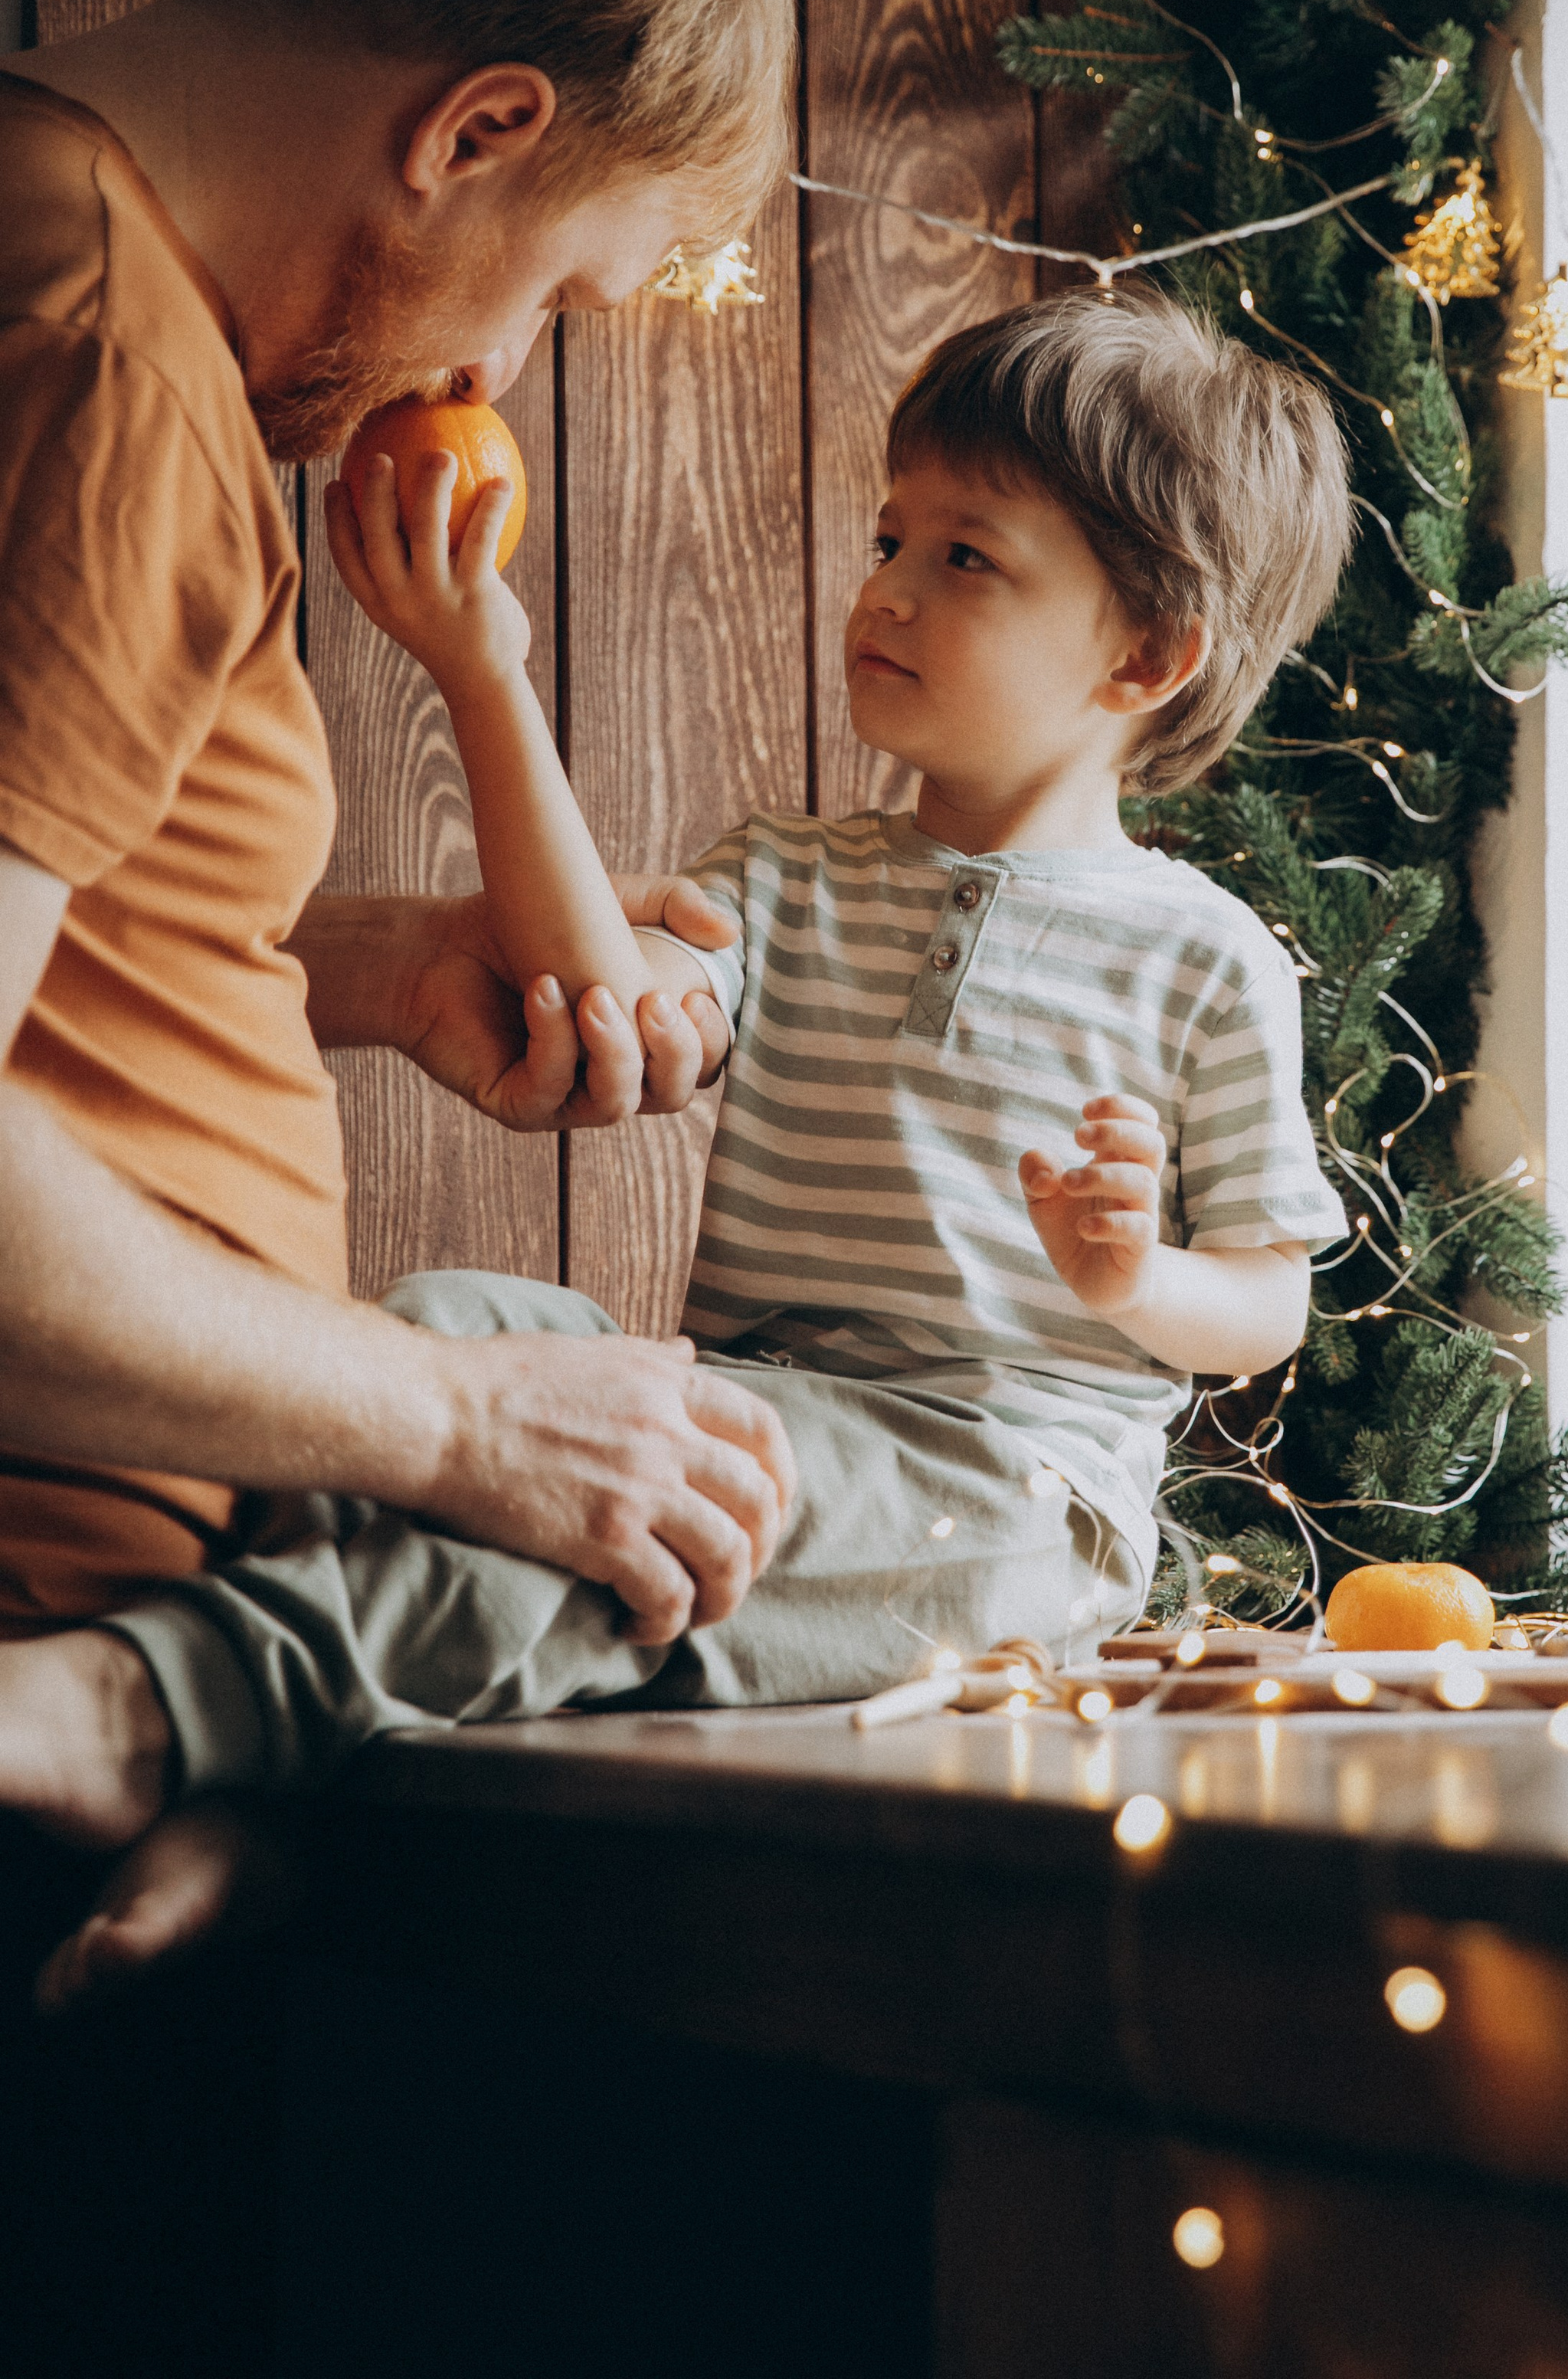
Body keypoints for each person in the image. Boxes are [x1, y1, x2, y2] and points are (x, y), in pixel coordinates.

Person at [7, 286, 1354, 1925]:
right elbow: (610, 1010)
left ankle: (137, 1711)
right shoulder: (787, 881)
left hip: (997, 1502)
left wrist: (1133, 1281)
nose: (888, 591)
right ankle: (284, 1790)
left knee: (613, 1519)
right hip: (750, 1402)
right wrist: (478, 669)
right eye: (889, 537)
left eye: (965, 558)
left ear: (1143, 655)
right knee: (443, 1327)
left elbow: (1267, 1306)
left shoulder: (1207, 961)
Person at [0, 0, 802, 1991]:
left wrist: (347, 967)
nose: (494, 372)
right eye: (559, 290)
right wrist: (469, 1417)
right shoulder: (104, 363)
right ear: (475, 128)